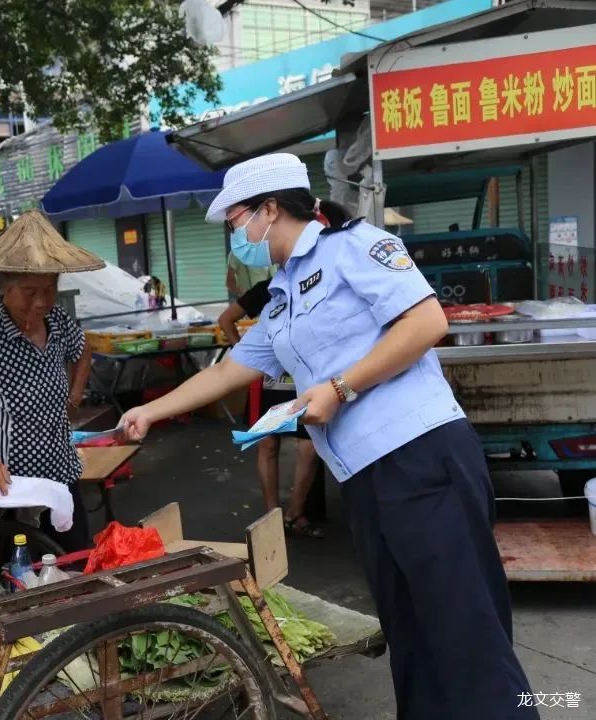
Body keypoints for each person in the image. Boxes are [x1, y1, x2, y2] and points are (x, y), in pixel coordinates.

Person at [120, 153, 536, 719]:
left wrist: (338, 389)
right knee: (411, 635)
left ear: (271, 209)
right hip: (364, 476)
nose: (235, 237)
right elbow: (228, 370)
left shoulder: (353, 246)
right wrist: (151, 413)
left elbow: (426, 323)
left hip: (420, 456)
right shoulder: (283, 293)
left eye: (236, 221)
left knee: (466, 637)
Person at [0, 210, 101, 551]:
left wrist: (74, 397)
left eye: (49, 290)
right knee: (18, 577)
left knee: (75, 565)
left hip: (60, 471)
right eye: (28, 292)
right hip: (6, 484)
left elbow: (85, 351)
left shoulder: (58, 321)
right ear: (4, 288)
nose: (40, 302)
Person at [221, 280, 323, 537]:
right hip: (269, 385)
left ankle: (295, 512)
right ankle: (271, 515)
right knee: (268, 445)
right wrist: (248, 358)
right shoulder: (266, 289)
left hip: (305, 383)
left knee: (309, 447)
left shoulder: (317, 285)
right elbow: (226, 320)